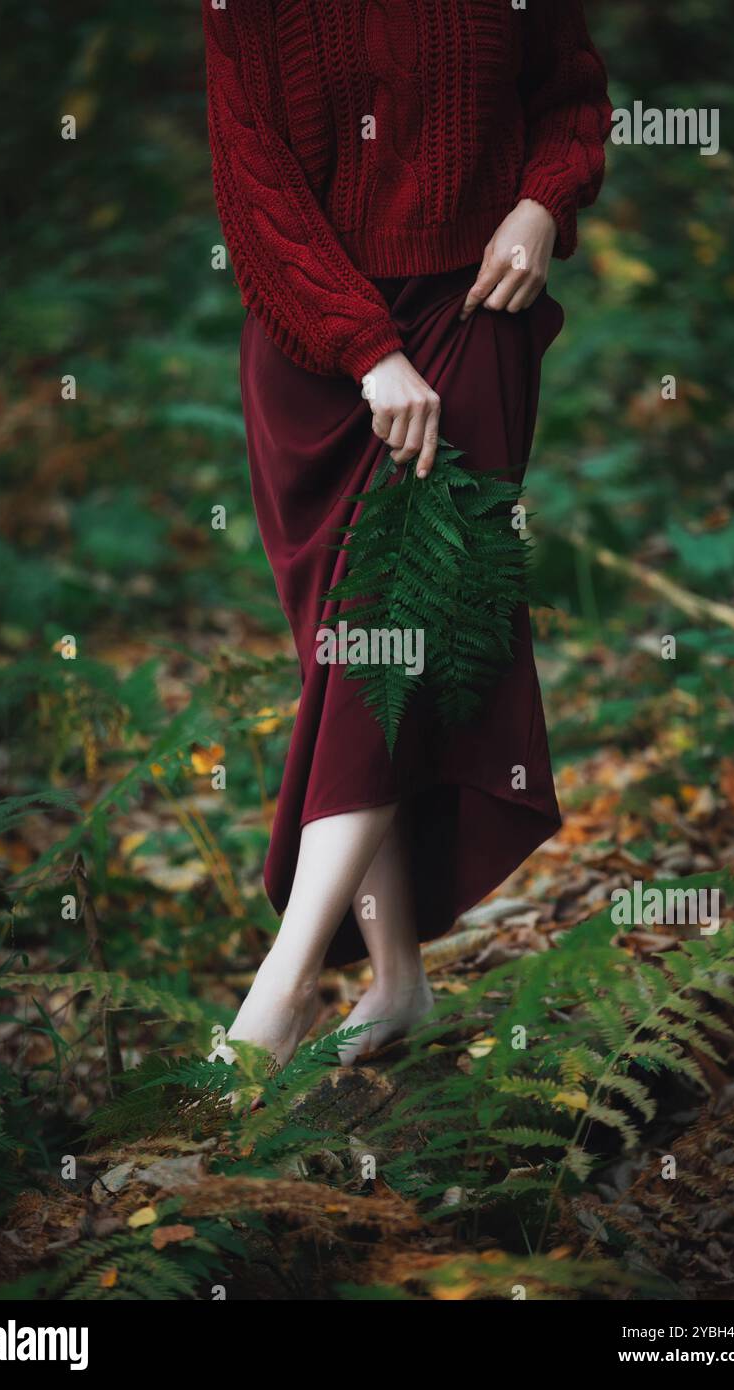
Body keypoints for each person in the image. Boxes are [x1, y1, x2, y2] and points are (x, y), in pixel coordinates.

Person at [201, 0, 611, 1070]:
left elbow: (567, 95)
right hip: (314, 347)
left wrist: (538, 202)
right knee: (352, 669)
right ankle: (397, 981)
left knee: (397, 629)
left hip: (470, 311)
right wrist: (365, 348)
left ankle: (277, 997)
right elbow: (255, 190)